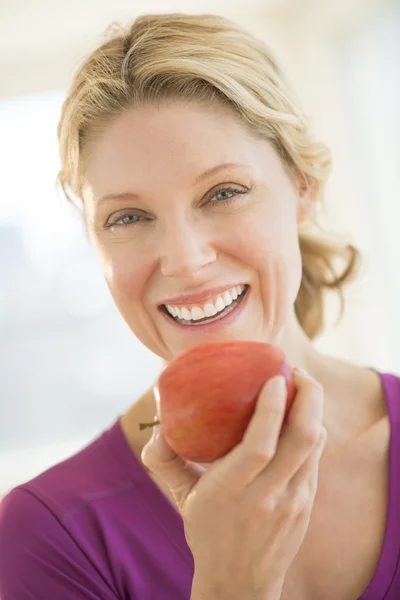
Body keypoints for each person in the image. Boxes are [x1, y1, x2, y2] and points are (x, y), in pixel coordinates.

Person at [0, 12, 399, 600]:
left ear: (303, 186)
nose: (185, 261)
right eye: (128, 217)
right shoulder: (50, 537)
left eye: (223, 193)